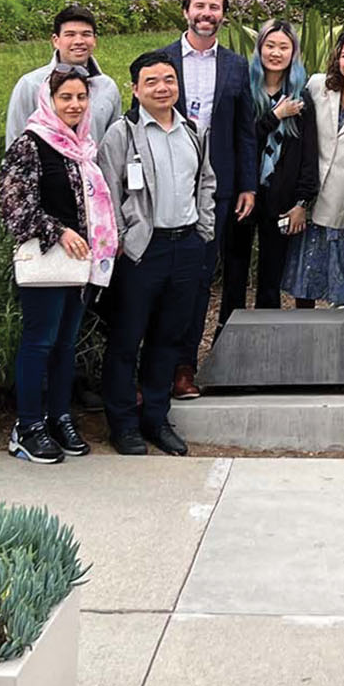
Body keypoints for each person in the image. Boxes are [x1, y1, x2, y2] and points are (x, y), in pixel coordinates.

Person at [97, 51, 219, 456]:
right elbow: (108, 193)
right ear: (135, 89)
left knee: (168, 339)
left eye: (168, 79)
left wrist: (203, 228)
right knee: (126, 340)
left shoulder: (192, 130)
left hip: (185, 247)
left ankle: (156, 417)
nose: (162, 87)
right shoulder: (122, 134)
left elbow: (206, 182)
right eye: (151, 81)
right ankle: (123, 424)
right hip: (141, 252)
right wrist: (127, 239)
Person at [0, 69, 118, 465]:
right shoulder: (31, 144)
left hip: (80, 263)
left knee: (66, 344)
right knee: (40, 342)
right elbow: (13, 206)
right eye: (65, 97)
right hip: (49, 259)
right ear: (48, 100)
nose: (75, 104)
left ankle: (59, 416)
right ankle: (29, 425)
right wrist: (58, 229)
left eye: (81, 97)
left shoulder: (83, 146)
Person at [153, 0, 256, 400]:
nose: (207, 13)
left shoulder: (235, 65)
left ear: (223, 15)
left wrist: (248, 183)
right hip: (168, 187)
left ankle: (185, 369)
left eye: (215, 7)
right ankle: (157, 365)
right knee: (166, 281)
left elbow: (245, 128)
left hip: (222, 188)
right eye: (200, 6)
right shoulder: (162, 60)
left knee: (202, 282)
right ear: (185, 12)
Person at [220, 20, 319, 324]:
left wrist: (302, 201)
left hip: (281, 197)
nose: (276, 53)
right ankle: (227, 336)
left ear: (294, 53)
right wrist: (274, 116)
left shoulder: (300, 97)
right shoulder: (243, 90)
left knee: (271, 274)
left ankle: (267, 337)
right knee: (235, 270)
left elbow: (308, 153)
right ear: (259, 48)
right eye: (270, 45)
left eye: (283, 47)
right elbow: (240, 141)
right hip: (244, 193)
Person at [285, 31, 344, 308]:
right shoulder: (317, 86)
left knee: (341, 280)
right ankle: (305, 336)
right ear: (337, 59)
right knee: (304, 278)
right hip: (312, 194)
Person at [5, 4, 122, 145]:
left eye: (86, 34)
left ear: (94, 40)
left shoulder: (107, 87)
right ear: (56, 40)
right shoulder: (31, 84)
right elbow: (15, 141)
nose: (79, 41)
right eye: (70, 35)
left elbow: (114, 145)